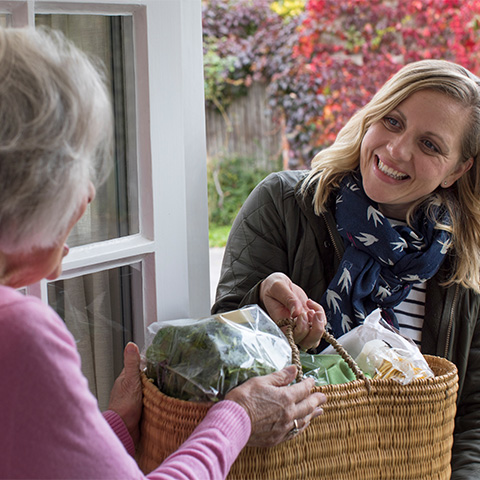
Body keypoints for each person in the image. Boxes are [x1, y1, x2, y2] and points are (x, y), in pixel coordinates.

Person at [0, 26, 327, 480]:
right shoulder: (17, 330)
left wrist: (113, 428)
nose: (90, 194)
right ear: (29, 183)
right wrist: (239, 416)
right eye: (80, 162)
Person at [212, 59, 480, 478]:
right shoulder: (284, 204)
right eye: (392, 121)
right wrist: (262, 306)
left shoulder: (465, 264)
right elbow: (219, 355)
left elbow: (473, 420)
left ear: (458, 169)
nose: (396, 149)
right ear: (372, 116)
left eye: (430, 145)